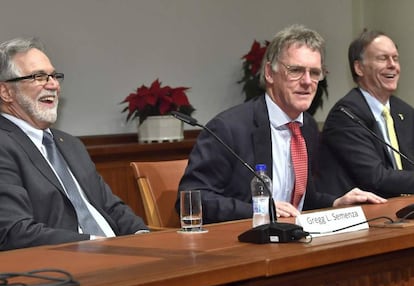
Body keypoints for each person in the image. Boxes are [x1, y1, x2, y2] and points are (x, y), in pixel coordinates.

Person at [176, 24, 385, 224]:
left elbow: (299, 203)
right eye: (295, 70)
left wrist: (335, 203)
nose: (307, 82)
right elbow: (193, 198)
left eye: (314, 73)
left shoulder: (308, 127)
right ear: (269, 73)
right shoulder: (228, 129)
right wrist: (260, 211)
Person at [0, 37, 148, 250]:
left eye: (54, 76)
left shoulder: (69, 144)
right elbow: (14, 231)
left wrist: (141, 235)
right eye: (39, 77)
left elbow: (110, 207)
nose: (53, 85)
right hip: (63, 266)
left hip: (119, 254)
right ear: (5, 92)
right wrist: (96, 244)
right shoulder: (4, 144)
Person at [316, 29, 414, 198]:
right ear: (359, 68)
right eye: (383, 58)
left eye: (395, 58)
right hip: (366, 214)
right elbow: (375, 177)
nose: (393, 65)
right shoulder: (345, 115)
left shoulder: (404, 111)